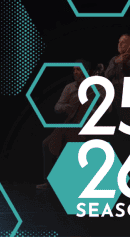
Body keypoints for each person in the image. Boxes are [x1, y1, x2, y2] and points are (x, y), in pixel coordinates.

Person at [37, 60, 90, 189]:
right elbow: (57, 106)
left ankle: (68, 182)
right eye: (74, 70)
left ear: (87, 71)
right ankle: (49, 181)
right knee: (46, 143)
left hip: (86, 126)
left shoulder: (94, 88)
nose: (75, 72)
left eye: (78, 69)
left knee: (65, 144)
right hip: (70, 124)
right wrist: (65, 107)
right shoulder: (69, 87)